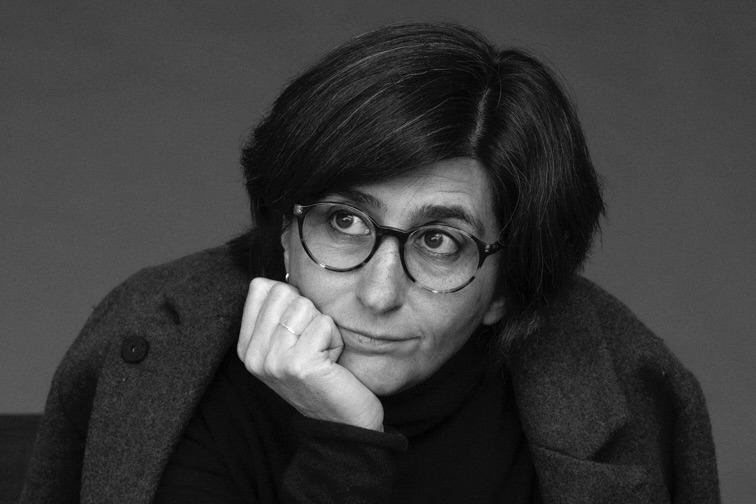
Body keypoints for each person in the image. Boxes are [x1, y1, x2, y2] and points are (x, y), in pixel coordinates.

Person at [21, 22, 719, 504]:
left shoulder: (626, 380)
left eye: (439, 242)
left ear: (507, 287)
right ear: (286, 231)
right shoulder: (175, 363)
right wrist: (345, 448)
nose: (379, 293)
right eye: (345, 222)